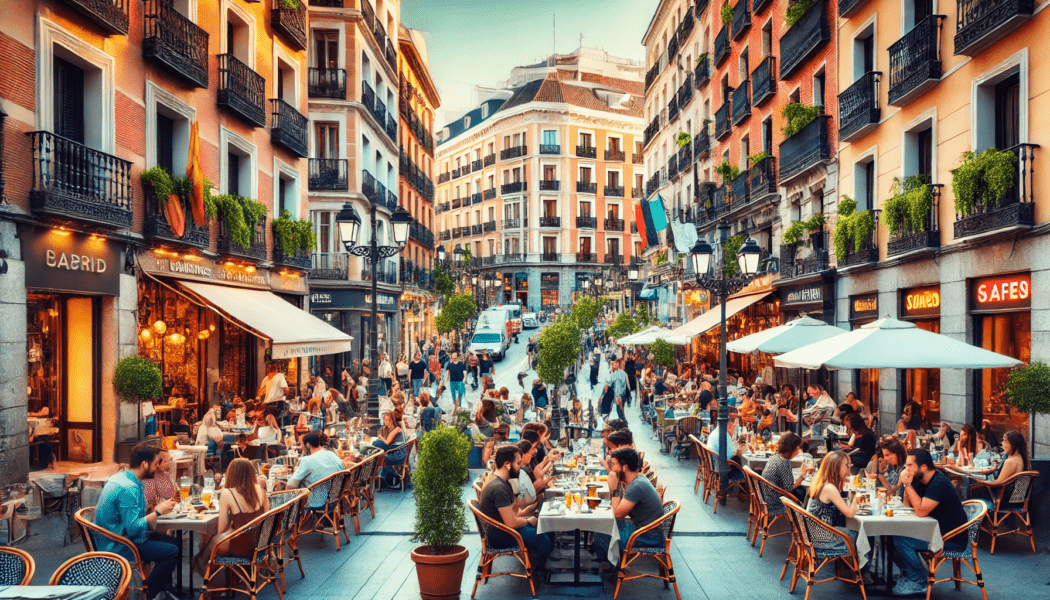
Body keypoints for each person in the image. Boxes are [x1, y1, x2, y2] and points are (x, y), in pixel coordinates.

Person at [94, 444, 179, 600]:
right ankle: (147, 594)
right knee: (171, 552)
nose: (156, 468)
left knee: (174, 543)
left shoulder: (124, 477)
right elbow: (133, 528)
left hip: (119, 536)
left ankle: (164, 589)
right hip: (119, 544)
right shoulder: (128, 487)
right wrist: (158, 511)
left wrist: (154, 512)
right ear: (144, 464)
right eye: (155, 464)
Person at [893, 449, 969, 596]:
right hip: (933, 531)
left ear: (923, 467)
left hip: (950, 538)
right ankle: (910, 573)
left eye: (909, 465)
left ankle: (919, 581)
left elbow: (920, 511)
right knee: (891, 535)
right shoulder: (919, 479)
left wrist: (907, 485)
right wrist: (907, 484)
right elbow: (907, 506)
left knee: (901, 540)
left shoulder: (938, 483)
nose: (905, 469)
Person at [478, 445, 553, 570]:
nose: (521, 467)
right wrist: (528, 520)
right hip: (502, 536)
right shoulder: (499, 488)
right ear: (507, 464)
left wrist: (525, 512)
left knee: (545, 527)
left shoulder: (500, 481)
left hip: (501, 530)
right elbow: (511, 523)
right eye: (518, 463)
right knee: (544, 540)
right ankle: (536, 575)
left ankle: (538, 568)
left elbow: (512, 513)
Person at [194, 458, 269, 576]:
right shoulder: (260, 489)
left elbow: (221, 530)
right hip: (260, 544)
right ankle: (205, 570)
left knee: (214, 539)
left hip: (241, 548)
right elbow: (267, 515)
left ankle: (204, 573)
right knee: (215, 540)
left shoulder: (227, 493)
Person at [593, 448, 665, 570]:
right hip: (645, 530)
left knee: (602, 532)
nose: (612, 469)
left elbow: (618, 514)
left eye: (614, 464)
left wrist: (615, 489)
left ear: (625, 467)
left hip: (647, 536)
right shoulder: (637, 480)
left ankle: (611, 567)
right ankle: (610, 562)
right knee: (606, 526)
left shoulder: (636, 486)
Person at [806, 450, 861, 556]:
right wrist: (856, 493)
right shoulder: (830, 488)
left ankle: (850, 567)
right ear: (836, 467)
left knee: (849, 528)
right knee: (859, 534)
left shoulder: (821, 482)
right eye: (846, 465)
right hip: (821, 537)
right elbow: (850, 514)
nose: (849, 469)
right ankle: (859, 569)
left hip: (813, 533)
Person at [971, 430, 1031, 511]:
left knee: (973, 489)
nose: (1002, 443)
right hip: (1019, 500)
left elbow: (997, 483)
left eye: (1005, 440)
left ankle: (979, 520)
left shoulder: (1010, 461)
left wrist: (980, 481)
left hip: (1005, 500)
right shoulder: (1023, 459)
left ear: (1013, 444)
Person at [287, 433, 344, 502]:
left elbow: (291, 485)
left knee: (294, 486)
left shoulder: (307, 460)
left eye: (302, 444)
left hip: (318, 500)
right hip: (337, 496)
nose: (301, 447)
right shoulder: (331, 454)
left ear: (308, 445)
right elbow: (342, 470)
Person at [761, 432, 809, 508]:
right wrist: (802, 475)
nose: (799, 450)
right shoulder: (784, 463)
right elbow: (790, 489)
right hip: (776, 502)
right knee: (804, 492)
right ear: (795, 448)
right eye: (799, 447)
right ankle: (805, 515)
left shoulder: (775, 457)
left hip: (766, 496)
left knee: (801, 491)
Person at [142, 448, 177, 512]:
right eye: (166, 461)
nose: (170, 463)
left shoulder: (165, 474)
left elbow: (171, 495)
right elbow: (151, 507)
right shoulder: (149, 479)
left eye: (170, 460)